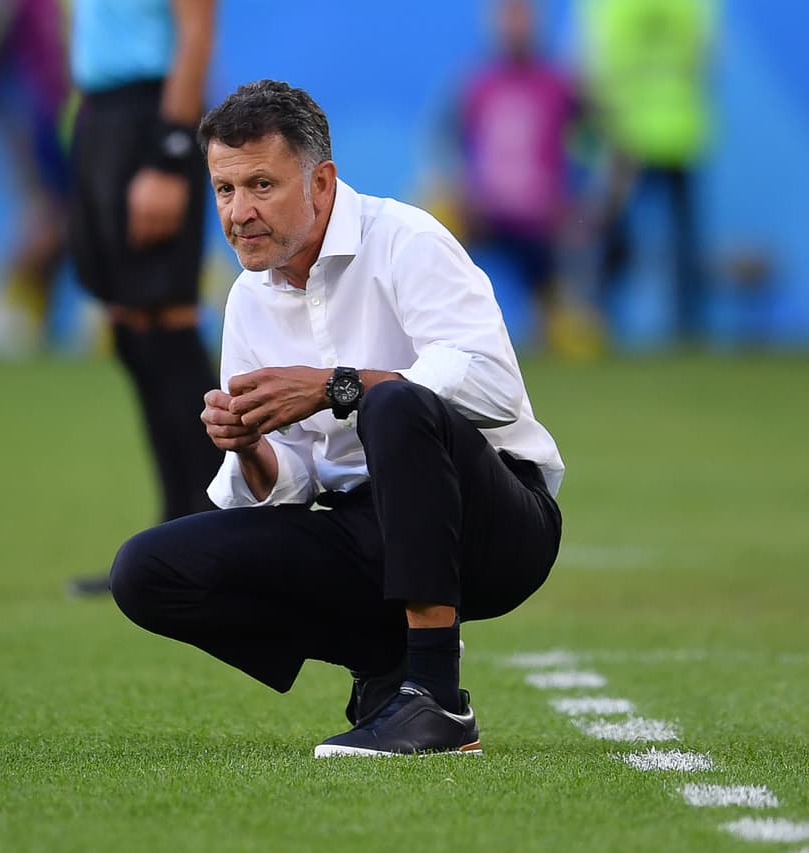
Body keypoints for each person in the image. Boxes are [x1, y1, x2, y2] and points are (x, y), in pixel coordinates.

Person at [108, 80, 564, 757]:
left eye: (261, 185)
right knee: (144, 571)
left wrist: (336, 387)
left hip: (496, 527)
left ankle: (437, 698)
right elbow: (291, 488)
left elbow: (494, 387)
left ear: (320, 183)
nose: (238, 213)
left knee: (396, 403)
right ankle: (383, 656)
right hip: (366, 533)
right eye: (224, 190)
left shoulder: (406, 239)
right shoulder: (248, 300)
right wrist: (250, 446)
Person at [65, 0, 222, 595]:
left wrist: (170, 153)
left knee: (166, 325)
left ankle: (214, 538)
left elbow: (197, 29)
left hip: (153, 119)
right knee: (133, 329)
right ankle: (171, 542)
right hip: (100, 114)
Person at [580, 0, 714, 341]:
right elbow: (705, 57)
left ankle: (600, 324)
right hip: (676, 130)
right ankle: (689, 331)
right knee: (681, 242)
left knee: (617, 237)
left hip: (628, 135)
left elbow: (592, 65)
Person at [455, 0, 582, 346]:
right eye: (509, 20)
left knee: (560, 317)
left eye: (522, 19)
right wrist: (466, 193)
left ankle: (559, 324)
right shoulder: (480, 85)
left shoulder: (558, 83)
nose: (516, 29)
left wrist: (579, 195)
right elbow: (457, 144)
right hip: (489, 212)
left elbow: (593, 137)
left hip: (541, 216)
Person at [0, 0, 70, 351]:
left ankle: (37, 326)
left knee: (68, 231)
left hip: (86, 122)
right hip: (37, 126)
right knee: (45, 224)